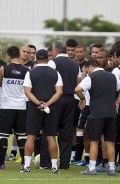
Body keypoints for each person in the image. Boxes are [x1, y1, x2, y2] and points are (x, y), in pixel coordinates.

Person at [75, 59, 120, 176]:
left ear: (90, 67)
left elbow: (77, 89)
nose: (87, 72)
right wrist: (117, 102)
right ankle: (112, 168)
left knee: (94, 141)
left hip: (96, 113)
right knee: (110, 141)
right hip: (111, 113)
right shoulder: (112, 76)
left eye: (87, 70)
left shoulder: (91, 77)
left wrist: (82, 98)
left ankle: (92, 168)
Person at [21, 49, 63, 173]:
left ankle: (26, 166)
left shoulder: (30, 72)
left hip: (35, 107)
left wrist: (39, 103)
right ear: (48, 58)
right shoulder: (55, 73)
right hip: (51, 108)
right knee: (51, 137)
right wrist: (47, 104)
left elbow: (27, 92)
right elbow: (59, 92)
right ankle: (54, 167)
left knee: (31, 137)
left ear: (36, 59)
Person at [47, 40, 80, 169]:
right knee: (66, 132)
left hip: (56, 99)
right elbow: (77, 83)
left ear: (55, 50)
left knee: (50, 131)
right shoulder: (75, 64)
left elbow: (48, 80)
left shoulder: (53, 62)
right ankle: (65, 163)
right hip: (70, 99)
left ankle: (47, 162)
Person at [0, 46, 29, 169]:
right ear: (19, 55)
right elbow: (28, 89)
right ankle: (24, 163)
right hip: (21, 106)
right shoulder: (26, 71)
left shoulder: (3, 69)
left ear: (8, 56)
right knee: (21, 135)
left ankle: (1, 163)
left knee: (3, 135)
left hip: (6, 106)